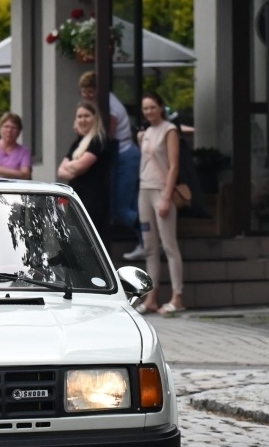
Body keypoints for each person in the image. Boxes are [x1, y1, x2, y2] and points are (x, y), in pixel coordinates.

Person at [79, 71, 142, 259]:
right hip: (122, 155)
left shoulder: (110, 105)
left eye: (90, 90)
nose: (87, 94)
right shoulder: (102, 102)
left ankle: (148, 237)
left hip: (125, 155)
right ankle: (146, 239)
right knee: (128, 204)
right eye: (84, 91)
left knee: (121, 206)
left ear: (99, 89)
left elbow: (107, 135)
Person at [137, 92, 185, 315]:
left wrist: (166, 197)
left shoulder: (169, 130)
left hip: (161, 190)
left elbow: (174, 166)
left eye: (152, 107)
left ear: (161, 108)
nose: (149, 112)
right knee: (150, 247)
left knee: (169, 244)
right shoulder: (145, 133)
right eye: (145, 108)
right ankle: (151, 297)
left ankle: (177, 296)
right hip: (144, 190)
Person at [57, 101, 113, 238]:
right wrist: (74, 167)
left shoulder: (99, 140)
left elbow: (80, 167)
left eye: (86, 116)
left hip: (94, 200)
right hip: (76, 197)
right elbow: (60, 172)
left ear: (95, 118)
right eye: (79, 116)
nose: (82, 120)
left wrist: (71, 165)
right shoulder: (77, 143)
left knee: (90, 237)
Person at [0, 112, 32, 178]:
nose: (9, 130)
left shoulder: (24, 152)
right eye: (6, 126)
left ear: (19, 131)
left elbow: (26, 175)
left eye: (14, 128)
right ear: (0, 128)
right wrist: (17, 173)